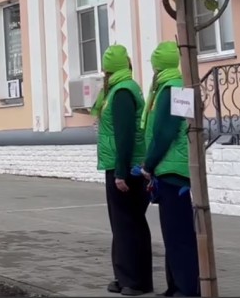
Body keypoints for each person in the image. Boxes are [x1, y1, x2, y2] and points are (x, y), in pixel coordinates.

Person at [140, 42, 200, 298]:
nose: (153, 70)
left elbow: (165, 133)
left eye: (154, 65)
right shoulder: (174, 86)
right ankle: (176, 286)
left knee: (179, 235)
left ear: (158, 66)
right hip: (172, 168)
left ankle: (186, 288)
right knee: (174, 234)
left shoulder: (172, 89)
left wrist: (148, 164)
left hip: (172, 171)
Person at [93, 44, 152, 296]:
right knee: (122, 224)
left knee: (129, 224)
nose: (103, 73)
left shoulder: (122, 93)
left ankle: (136, 281)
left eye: (105, 69)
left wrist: (120, 172)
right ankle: (123, 276)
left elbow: (125, 135)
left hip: (126, 168)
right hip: (121, 165)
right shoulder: (120, 89)